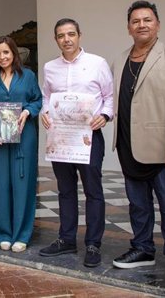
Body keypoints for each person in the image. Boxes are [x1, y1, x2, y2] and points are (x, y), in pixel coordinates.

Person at [111, 0, 165, 285]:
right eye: (136, 21)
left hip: (163, 150)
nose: (142, 25)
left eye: (147, 20)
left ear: (157, 24)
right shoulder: (120, 60)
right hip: (129, 148)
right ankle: (143, 248)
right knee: (138, 205)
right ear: (128, 28)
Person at [39, 18, 113, 268]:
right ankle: (67, 239)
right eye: (61, 35)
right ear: (56, 39)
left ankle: (93, 244)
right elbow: (47, 97)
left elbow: (109, 97)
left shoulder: (97, 63)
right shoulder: (50, 67)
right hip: (61, 138)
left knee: (93, 191)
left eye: (71, 34)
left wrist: (104, 116)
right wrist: (45, 113)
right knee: (65, 190)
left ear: (80, 35)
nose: (67, 39)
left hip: (88, 136)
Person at [0, 36, 42, 253]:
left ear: (14, 53)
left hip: (24, 136)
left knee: (23, 184)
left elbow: (38, 100)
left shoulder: (28, 76)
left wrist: (28, 111)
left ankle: (21, 235)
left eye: (6, 52)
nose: (2, 57)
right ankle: (2, 233)